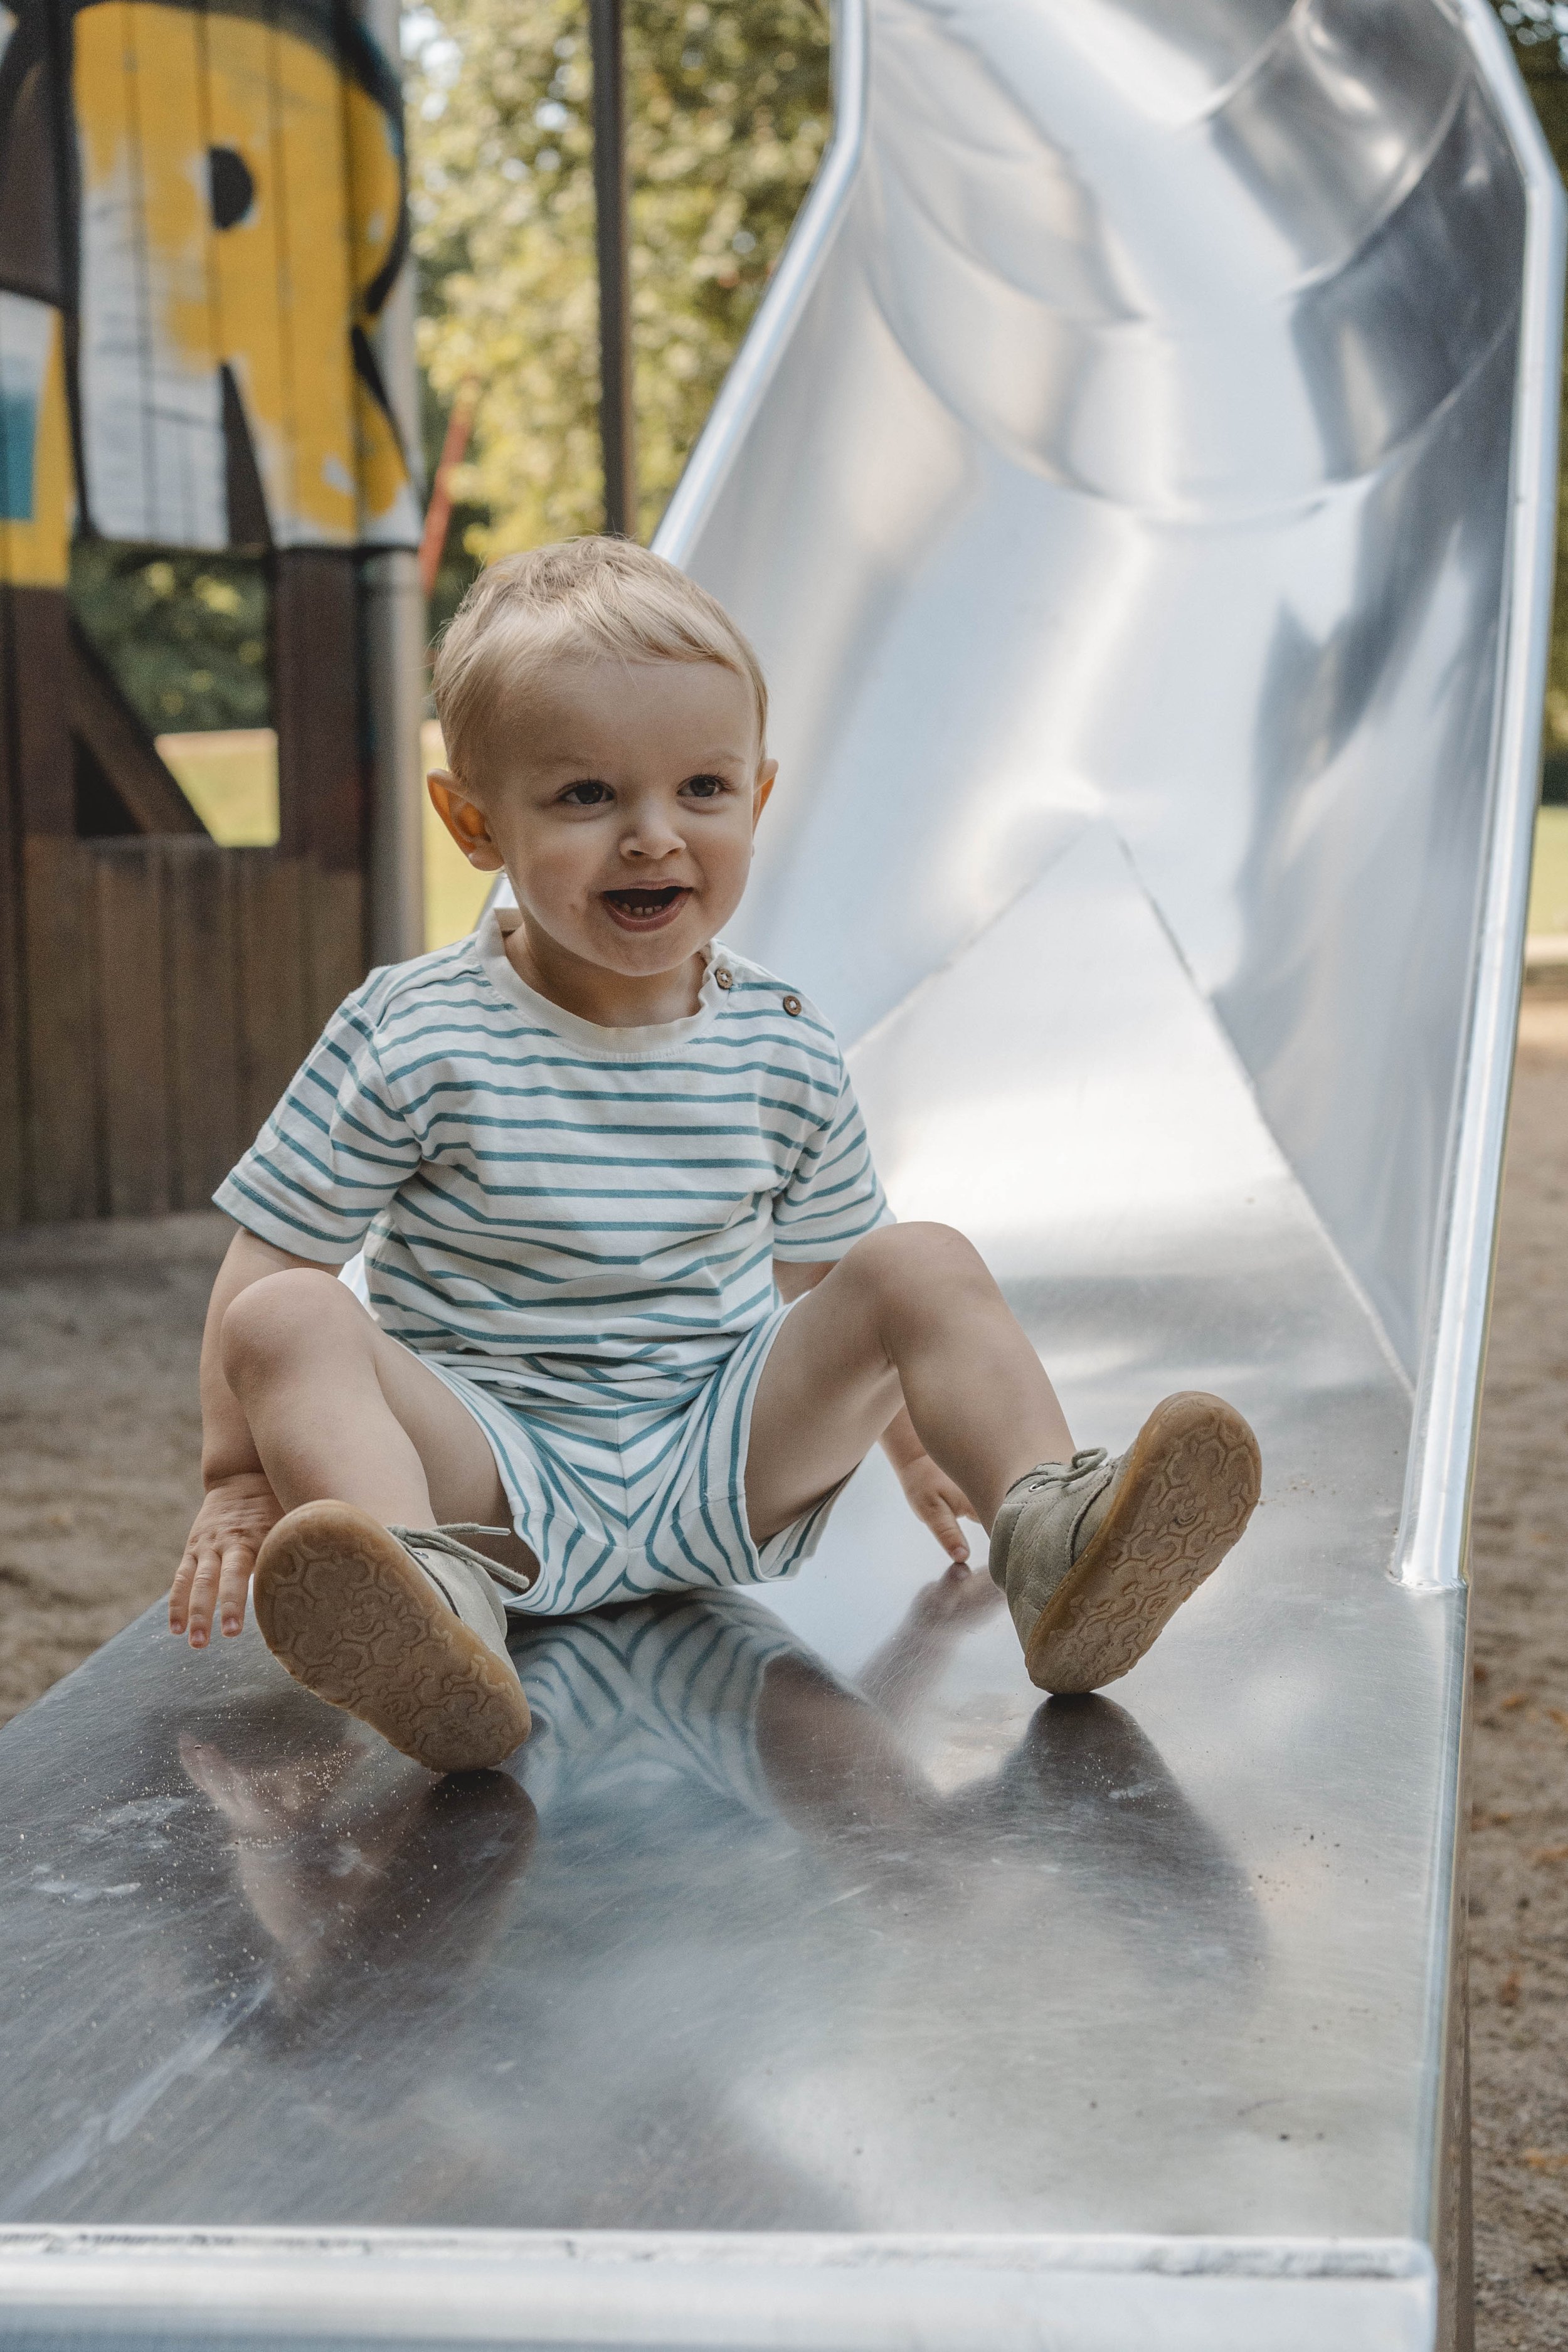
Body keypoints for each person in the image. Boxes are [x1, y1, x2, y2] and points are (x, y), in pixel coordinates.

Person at [169, 538, 1261, 1772]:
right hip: (492, 1484)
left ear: (758, 797)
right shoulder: (411, 1033)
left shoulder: (780, 1043)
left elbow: (843, 1287)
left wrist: (915, 1447)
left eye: (701, 789)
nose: (652, 836)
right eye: (585, 797)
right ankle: (432, 1615)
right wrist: (233, 1481)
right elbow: (269, 1254)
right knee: (286, 1316)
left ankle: (1051, 1544)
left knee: (918, 1258)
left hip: (719, 1463)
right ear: (473, 822)